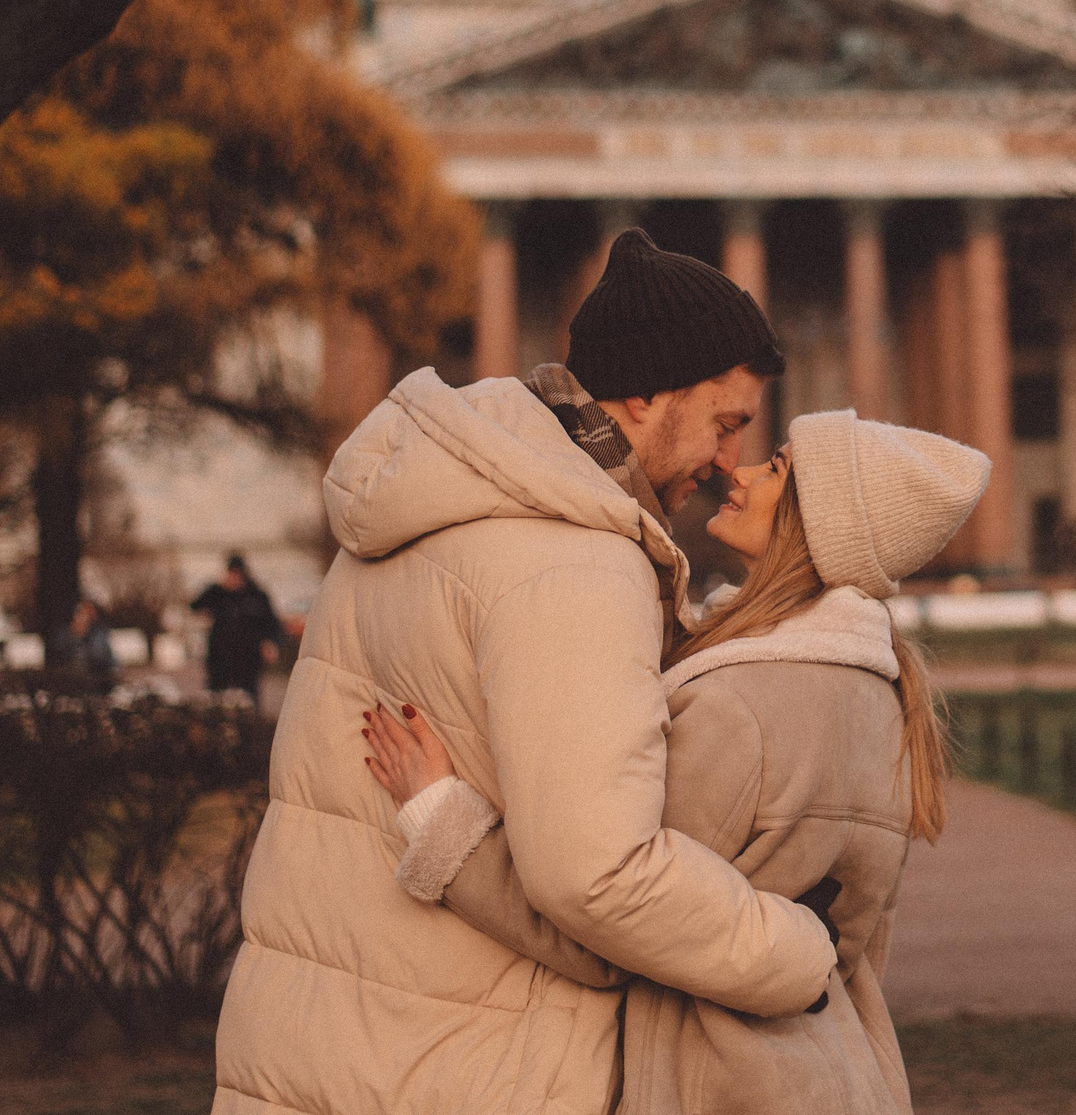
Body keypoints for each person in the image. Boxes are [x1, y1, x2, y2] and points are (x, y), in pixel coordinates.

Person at [212, 230, 841, 1115]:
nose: (730, 460)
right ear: (648, 391)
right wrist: (795, 951)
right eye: (725, 423)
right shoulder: (574, 562)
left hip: (323, 1044)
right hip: (462, 1064)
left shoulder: (433, 503)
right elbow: (598, 881)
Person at [363, 408, 987, 1115]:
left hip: (724, 1083)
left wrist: (444, 820)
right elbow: (854, 953)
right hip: (838, 1074)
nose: (740, 470)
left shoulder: (746, 705)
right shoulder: (883, 698)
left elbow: (612, 918)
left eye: (777, 469)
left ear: (822, 521)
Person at [190, 555, 280, 701]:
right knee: (216, 699)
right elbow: (195, 606)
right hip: (220, 658)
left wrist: (271, 642)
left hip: (248, 659)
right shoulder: (218, 593)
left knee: (248, 700)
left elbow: (272, 623)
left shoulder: (257, 595)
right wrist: (216, 587)